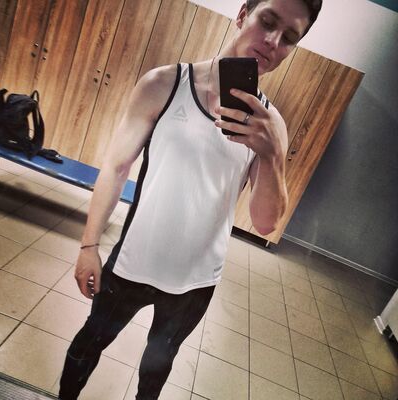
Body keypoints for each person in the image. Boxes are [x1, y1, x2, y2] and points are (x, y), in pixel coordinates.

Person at [58, 0, 322, 398]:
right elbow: (116, 166)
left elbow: (265, 223)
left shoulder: (272, 127)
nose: (272, 41)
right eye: (267, 21)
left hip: (196, 280)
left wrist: (273, 155)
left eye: (288, 38)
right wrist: (89, 245)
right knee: (88, 344)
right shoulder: (166, 83)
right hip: (133, 260)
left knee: (155, 370)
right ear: (242, 14)